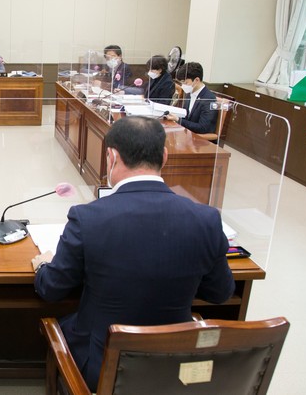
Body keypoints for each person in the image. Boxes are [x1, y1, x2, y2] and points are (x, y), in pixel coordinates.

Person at [31, 116, 235, 393]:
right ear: (164, 157)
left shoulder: (87, 218)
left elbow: (52, 289)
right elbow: (220, 293)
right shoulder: (206, 219)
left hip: (102, 367)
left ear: (111, 157)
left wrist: (43, 266)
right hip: (174, 366)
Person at [164, 62, 218, 134]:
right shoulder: (190, 93)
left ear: (196, 80)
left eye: (185, 83)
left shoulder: (209, 99)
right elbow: (186, 116)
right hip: (186, 132)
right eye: (182, 83)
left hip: (198, 138)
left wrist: (178, 119)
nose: (183, 86)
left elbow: (203, 128)